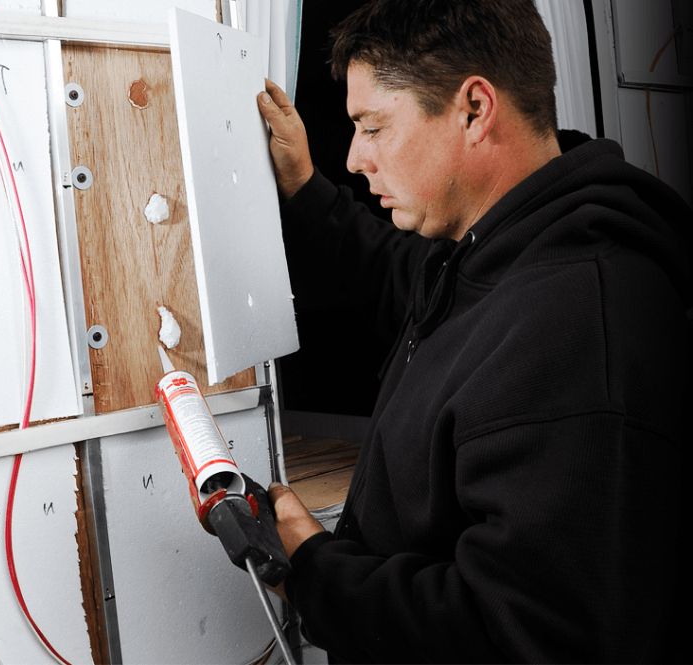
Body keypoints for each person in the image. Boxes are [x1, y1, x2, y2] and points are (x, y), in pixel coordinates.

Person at [256, 0, 691, 661]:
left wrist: (315, 571)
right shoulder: (494, 247)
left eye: (373, 127)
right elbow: (391, 273)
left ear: (474, 109)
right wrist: (304, 186)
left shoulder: (574, 323)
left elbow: (520, 635)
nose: (355, 157)